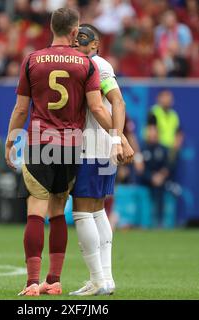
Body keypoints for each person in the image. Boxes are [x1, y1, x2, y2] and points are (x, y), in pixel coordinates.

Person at [5, 7, 125, 296]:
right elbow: (97, 107)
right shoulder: (86, 64)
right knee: (59, 212)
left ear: (50, 27)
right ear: (74, 31)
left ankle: (33, 283)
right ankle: (54, 280)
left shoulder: (33, 60)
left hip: (39, 144)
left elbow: (22, 108)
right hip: (71, 144)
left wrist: (11, 140)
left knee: (36, 211)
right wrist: (119, 137)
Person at [70, 23, 134, 296]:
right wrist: (117, 139)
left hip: (92, 148)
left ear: (96, 44)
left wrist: (119, 138)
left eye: (85, 40)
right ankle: (106, 280)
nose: (79, 44)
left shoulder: (98, 66)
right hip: (99, 147)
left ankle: (97, 280)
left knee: (83, 212)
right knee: (97, 210)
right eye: (76, 40)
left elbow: (117, 102)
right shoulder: (86, 65)